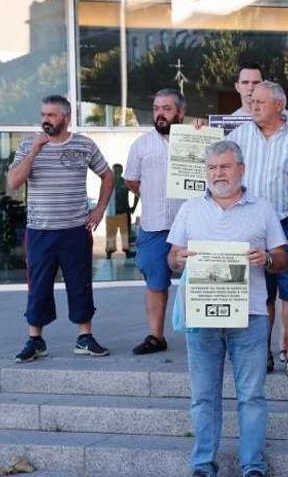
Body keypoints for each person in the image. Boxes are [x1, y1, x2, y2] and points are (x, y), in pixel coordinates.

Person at [167, 140, 288, 477]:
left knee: (251, 395)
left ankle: (253, 466)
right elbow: (172, 257)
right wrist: (178, 259)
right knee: (203, 396)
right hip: (202, 315)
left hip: (249, 317)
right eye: (212, 168)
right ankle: (203, 465)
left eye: (225, 166)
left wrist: (266, 258)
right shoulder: (190, 208)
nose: (218, 173)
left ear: (241, 169)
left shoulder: (262, 208)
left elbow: (283, 259)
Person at [8, 94, 114, 362]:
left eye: (52, 115)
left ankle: (84, 338)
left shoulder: (83, 145)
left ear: (66, 118)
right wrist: (34, 150)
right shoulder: (28, 146)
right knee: (38, 286)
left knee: (80, 284)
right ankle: (35, 340)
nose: (45, 120)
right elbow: (13, 182)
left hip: (75, 230)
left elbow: (107, 175)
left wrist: (100, 209)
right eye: (43, 115)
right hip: (40, 231)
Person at [226, 81, 288, 377]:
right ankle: (261, 352)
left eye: (260, 102)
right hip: (251, 225)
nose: (253, 106)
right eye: (251, 101)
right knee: (258, 293)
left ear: (279, 104)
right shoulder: (239, 136)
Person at [123, 88, 186, 355]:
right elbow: (131, 179)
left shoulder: (197, 140)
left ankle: (212, 335)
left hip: (191, 225)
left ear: (180, 112)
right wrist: (150, 193)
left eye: (167, 109)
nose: (160, 114)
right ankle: (156, 336)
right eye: (157, 108)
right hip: (154, 226)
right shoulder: (141, 145)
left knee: (205, 279)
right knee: (156, 281)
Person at [104, 164, 134, 259]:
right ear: (113, 171)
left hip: (123, 212)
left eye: (118, 170)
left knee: (125, 234)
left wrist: (133, 207)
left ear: (121, 171)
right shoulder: (108, 181)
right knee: (111, 234)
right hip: (112, 213)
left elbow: (136, 192)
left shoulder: (125, 182)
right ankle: (109, 252)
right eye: (115, 170)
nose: (117, 172)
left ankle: (127, 251)